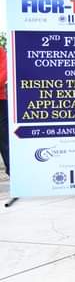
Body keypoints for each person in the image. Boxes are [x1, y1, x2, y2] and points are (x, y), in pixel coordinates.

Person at [0, 36, 10, 180]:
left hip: (0, 100)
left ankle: (13, 171)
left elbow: (4, 72)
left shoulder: (0, 51)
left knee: (4, 139)